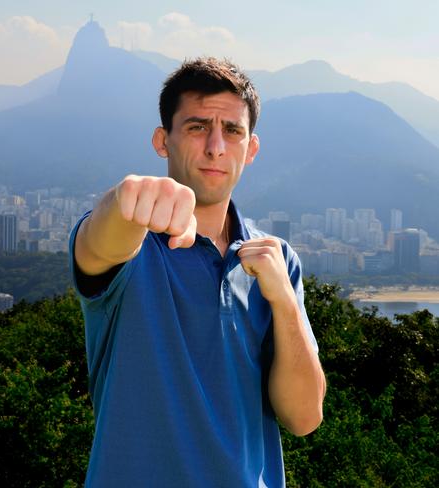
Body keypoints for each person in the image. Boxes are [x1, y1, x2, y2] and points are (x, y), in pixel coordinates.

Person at [69, 57, 326, 487]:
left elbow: (303, 418)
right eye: (195, 127)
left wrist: (283, 301)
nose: (215, 147)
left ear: (252, 147)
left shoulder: (278, 259)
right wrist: (127, 200)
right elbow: (98, 245)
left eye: (232, 131)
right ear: (162, 140)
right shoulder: (133, 246)